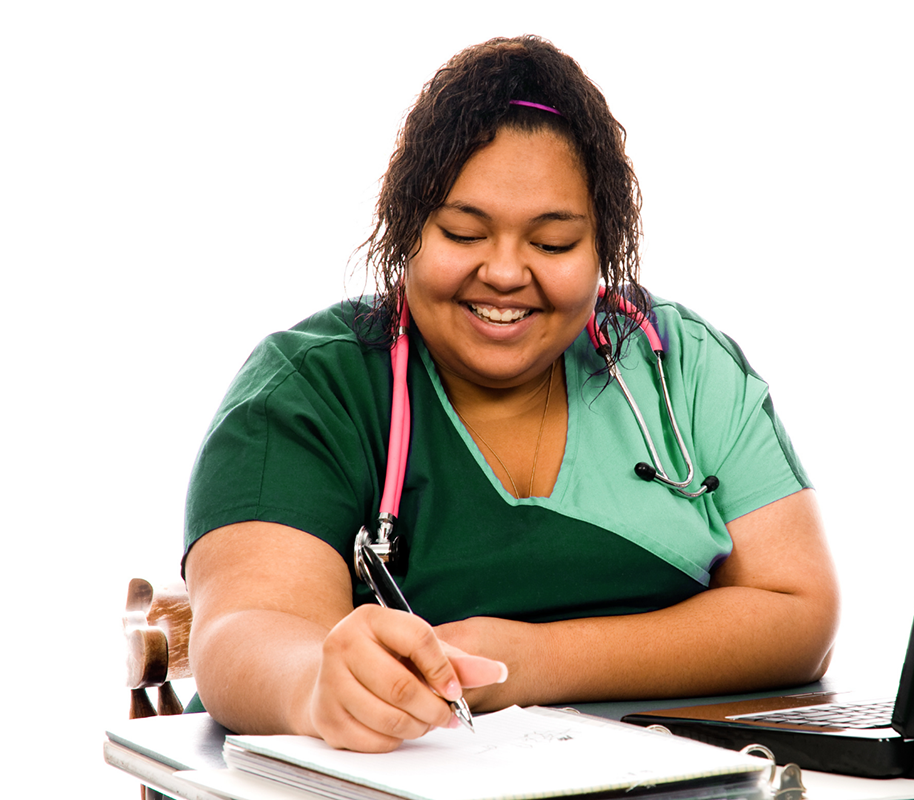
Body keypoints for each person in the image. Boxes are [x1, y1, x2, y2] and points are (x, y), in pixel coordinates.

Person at [183, 35, 839, 754]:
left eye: (553, 243)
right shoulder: (311, 392)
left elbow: (799, 613)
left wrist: (531, 661)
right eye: (464, 232)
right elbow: (244, 633)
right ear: (409, 232)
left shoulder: (680, 366)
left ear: (603, 251)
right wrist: (318, 685)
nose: (503, 272)